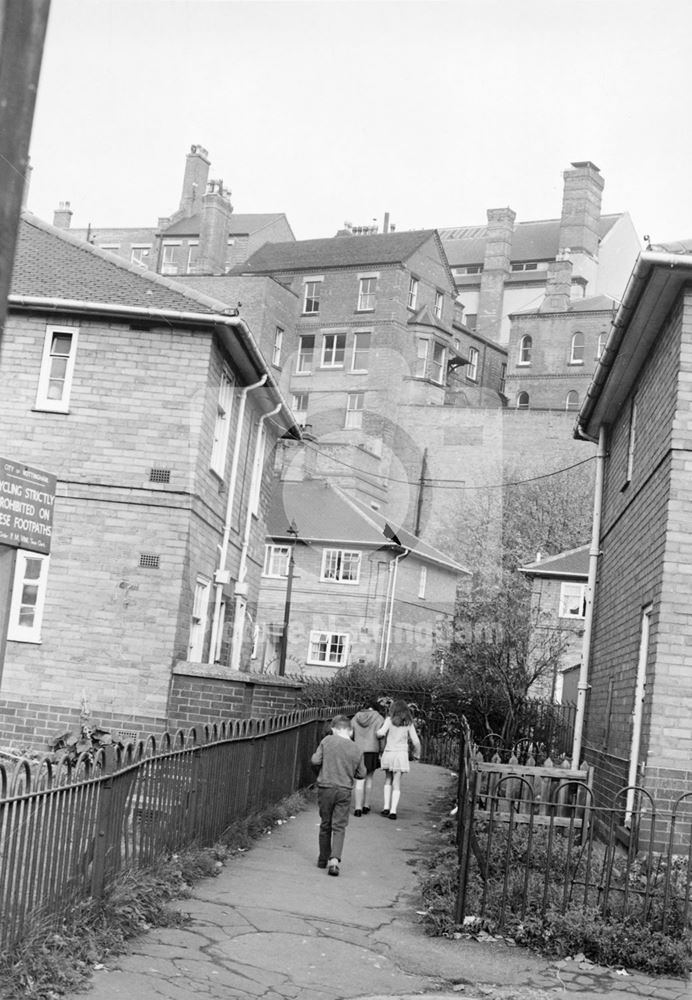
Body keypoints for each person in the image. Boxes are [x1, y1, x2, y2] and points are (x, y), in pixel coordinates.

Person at [311, 715, 366, 876]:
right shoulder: (356, 748)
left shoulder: (327, 741)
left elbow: (315, 760)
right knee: (339, 826)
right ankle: (334, 861)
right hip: (344, 790)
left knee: (325, 823)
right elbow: (362, 773)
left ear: (334, 729)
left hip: (326, 787)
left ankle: (322, 858)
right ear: (350, 731)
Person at [376, 699, 421, 821]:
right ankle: (393, 811)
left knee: (388, 779)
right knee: (397, 782)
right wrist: (417, 753)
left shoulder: (389, 721)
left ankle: (385, 807)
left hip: (389, 752)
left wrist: (377, 733)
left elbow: (380, 733)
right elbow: (415, 741)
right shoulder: (408, 723)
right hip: (401, 754)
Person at [350, 700, 385, 816]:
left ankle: (357, 808)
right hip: (372, 751)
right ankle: (366, 805)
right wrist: (382, 750)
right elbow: (381, 737)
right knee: (369, 778)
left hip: (358, 750)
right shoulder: (379, 718)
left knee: (359, 779)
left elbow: (351, 734)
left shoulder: (356, 717)